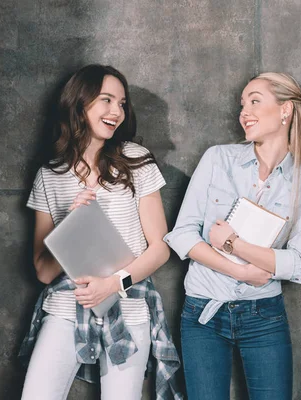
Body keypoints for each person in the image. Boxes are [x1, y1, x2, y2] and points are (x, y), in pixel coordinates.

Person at [18, 64, 181, 399]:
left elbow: (160, 249)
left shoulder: (136, 160)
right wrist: (70, 222)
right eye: (106, 100)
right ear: (80, 103)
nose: (116, 111)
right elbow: (44, 271)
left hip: (129, 306)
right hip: (67, 307)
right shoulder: (50, 175)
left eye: (122, 103)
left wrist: (112, 283)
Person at [164, 72, 301, 400]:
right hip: (203, 311)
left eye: (255, 101)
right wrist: (241, 270)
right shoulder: (217, 159)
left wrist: (233, 244)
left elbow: (297, 263)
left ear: (285, 111)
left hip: (264, 315)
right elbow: (182, 235)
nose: (244, 112)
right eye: (242, 104)